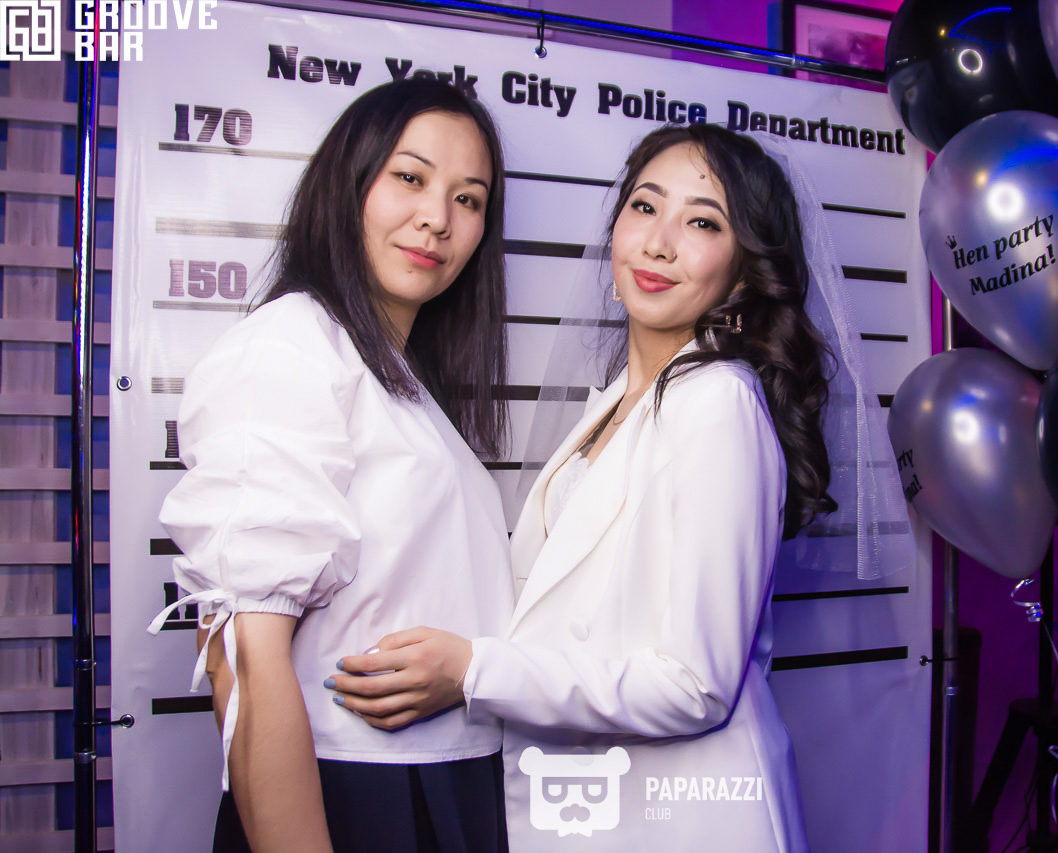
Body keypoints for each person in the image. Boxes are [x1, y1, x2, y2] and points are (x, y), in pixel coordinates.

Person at [328, 124, 914, 851]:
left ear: (743, 270)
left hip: (684, 820)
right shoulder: (616, 402)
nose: (659, 242)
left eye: (703, 222)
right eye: (645, 206)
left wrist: (473, 671)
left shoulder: (717, 399)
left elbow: (696, 685)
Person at [149, 77, 514, 853]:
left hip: (447, 778)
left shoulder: (403, 379)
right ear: (348, 183)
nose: (437, 218)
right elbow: (243, 659)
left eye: (469, 199)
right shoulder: (289, 344)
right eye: (409, 178)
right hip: (355, 790)